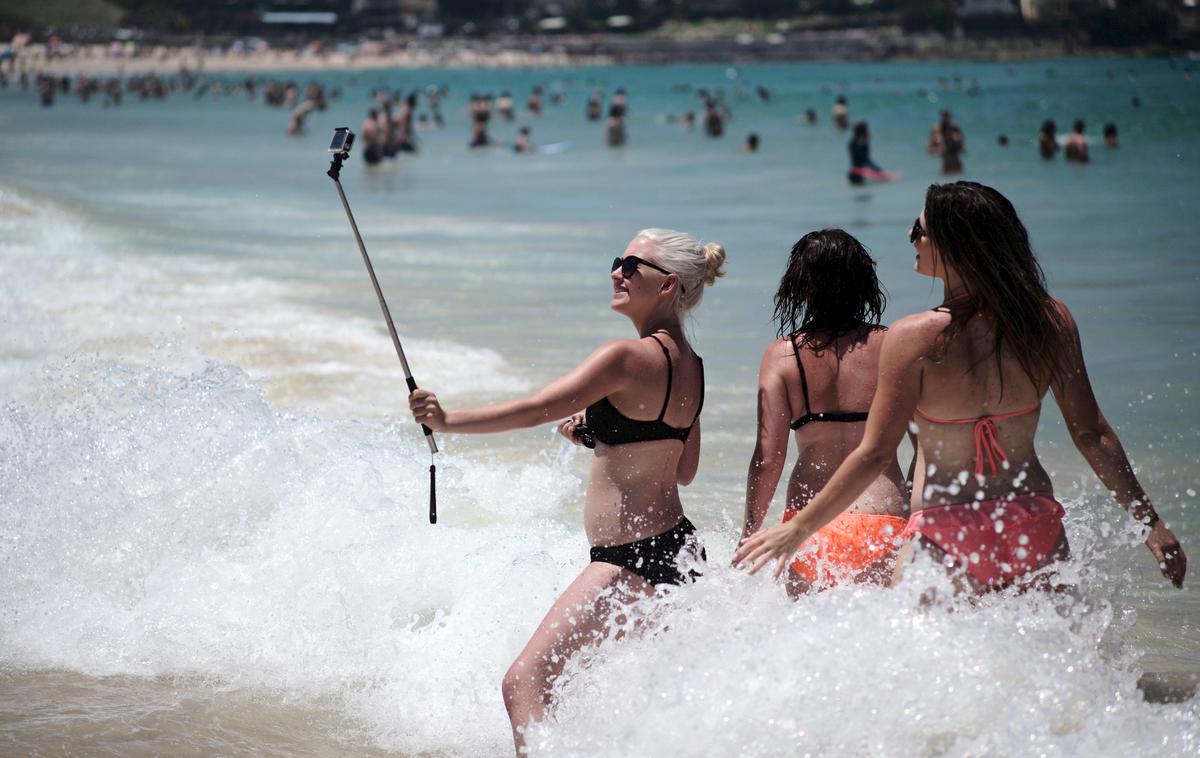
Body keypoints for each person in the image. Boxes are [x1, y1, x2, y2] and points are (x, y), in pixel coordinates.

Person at [735, 181, 1186, 596]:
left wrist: (798, 529)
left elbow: (873, 454)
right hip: (1031, 519)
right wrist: (1151, 523)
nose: (910, 236)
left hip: (944, 531)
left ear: (953, 245)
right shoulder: (1049, 321)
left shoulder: (914, 337)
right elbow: (1091, 433)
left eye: (920, 229)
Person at [409, 229, 726, 754]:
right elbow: (682, 468)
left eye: (631, 264)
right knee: (609, 704)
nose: (617, 272)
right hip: (679, 550)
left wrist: (447, 421)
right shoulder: (693, 367)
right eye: (616, 261)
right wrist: (600, 434)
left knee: (524, 685)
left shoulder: (625, 357)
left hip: (631, 559)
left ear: (668, 285)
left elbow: (537, 408)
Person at [741, 230, 907, 596]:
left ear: (799, 287)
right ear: (864, 282)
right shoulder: (894, 344)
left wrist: (749, 533)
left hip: (808, 523)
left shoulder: (782, 356)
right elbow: (927, 438)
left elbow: (769, 459)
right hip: (885, 517)